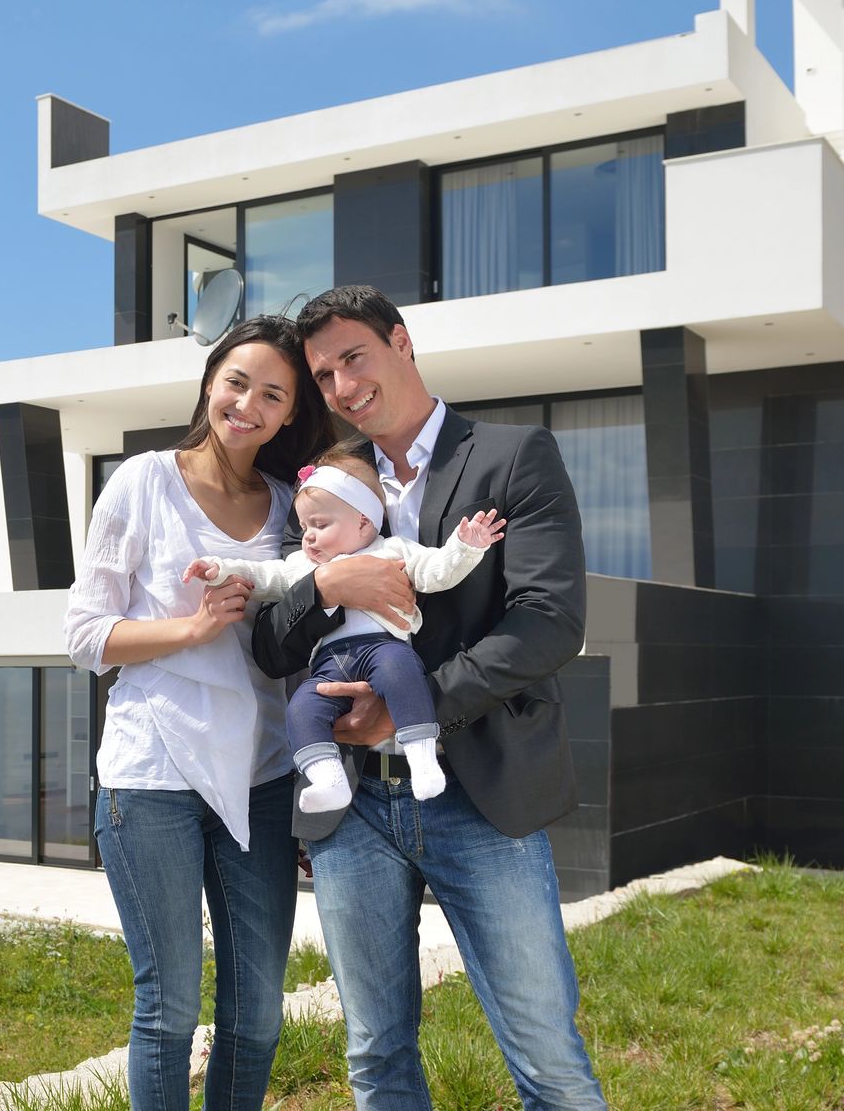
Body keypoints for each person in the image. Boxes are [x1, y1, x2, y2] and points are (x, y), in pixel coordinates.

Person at [253, 285, 606, 1110]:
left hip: (479, 793)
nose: (341, 386)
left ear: (401, 342)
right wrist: (330, 578)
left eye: (353, 358)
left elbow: (550, 623)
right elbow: (273, 643)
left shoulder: (514, 455)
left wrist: (415, 706)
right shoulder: (326, 486)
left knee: (548, 1057)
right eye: (323, 374)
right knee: (376, 1057)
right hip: (354, 811)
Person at [65, 314, 333, 1111]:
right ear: (210, 382)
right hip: (152, 775)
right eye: (237, 382)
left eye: (272, 394)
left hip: (261, 776)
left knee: (257, 1018)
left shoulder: (294, 506)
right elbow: (85, 635)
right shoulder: (143, 480)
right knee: (169, 1011)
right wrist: (193, 625)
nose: (248, 403)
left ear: (290, 414)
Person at [182, 447, 506, 813]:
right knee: (302, 708)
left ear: (364, 522)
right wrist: (220, 569)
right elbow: (265, 577)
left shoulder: (393, 550)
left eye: (319, 525)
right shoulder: (305, 566)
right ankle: (327, 779)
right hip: (330, 664)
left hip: (384, 647)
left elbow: (437, 572)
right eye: (304, 528)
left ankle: (421, 756)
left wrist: (465, 546)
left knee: (403, 673)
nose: (307, 537)